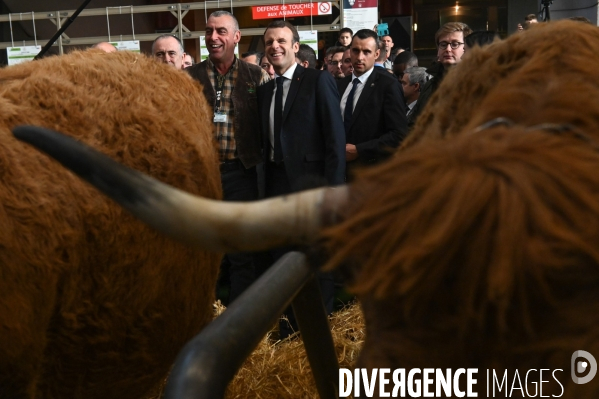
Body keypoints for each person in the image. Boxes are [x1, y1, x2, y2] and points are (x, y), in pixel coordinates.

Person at [257, 19, 345, 338]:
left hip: (313, 187)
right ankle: (290, 331)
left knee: (316, 260)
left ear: (295, 46)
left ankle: (322, 333)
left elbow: (335, 139)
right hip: (275, 188)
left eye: (281, 40)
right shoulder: (264, 90)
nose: (274, 46)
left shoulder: (318, 80)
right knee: (283, 261)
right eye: (269, 42)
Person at [186, 11, 270, 305]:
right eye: (209, 31)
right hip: (202, 174)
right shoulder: (189, 77)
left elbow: (267, 127)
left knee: (240, 251)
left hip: (242, 173)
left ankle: (239, 317)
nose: (213, 38)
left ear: (236, 37)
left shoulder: (256, 76)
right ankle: (201, 313)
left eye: (221, 31)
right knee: (203, 249)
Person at [338, 29, 407, 179]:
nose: (359, 57)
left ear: (376, 54)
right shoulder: (340, 85)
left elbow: (399, 135)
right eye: (355, 51)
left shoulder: (388, 85)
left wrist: (359, 150)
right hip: (339, 171)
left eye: (366, 52)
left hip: (371, 172)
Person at [408, 22, 472, 128]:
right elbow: (415, 123)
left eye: (455, 44)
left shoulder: (476, 83)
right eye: (443, 44)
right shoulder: (429, 85)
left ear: (466, 48)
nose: (448, 49)